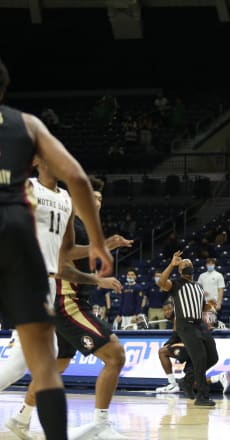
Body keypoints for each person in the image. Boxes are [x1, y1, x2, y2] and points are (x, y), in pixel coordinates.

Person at [0, 59, 113, 440]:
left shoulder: (63, 200)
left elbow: (66, 252)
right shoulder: (27, 140)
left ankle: (19, 423)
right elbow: (77, 173)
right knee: (38, 365)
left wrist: (96, 246)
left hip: (43, 278)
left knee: (38, 362)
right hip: (21, 263)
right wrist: (99, 242)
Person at [1, 158, 123, 439]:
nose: (98, 202)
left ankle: (22, 418)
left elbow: (65, 260)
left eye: (101, 198)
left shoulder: (73, 212)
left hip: (55, 290)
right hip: (45, 290)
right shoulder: (41, 198)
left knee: (50, 362)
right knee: (112, 354)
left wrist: (98, 269)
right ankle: (99, 424)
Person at [157, 251, 217, 407]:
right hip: (186, 326)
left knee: (213, 357)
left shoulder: (198, 286)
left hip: (200, 324)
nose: (187, 264)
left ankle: (186, 380)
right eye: (184, 263)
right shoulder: (175, 285)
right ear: (180, 269)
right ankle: (202, 397)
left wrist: (209, 310)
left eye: (189, 263)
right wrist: (171, 264)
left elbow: (203, 307)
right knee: (199, 359)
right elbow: (161, 282)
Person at [155, 300, 228, 395]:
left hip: (198, 348)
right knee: (187, 383)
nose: (167, 312)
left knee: (162, 351)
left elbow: (174, 338)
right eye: (165, 310)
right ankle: (218, 378)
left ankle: (172, 384)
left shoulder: (180, 317)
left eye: (169, 309)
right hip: (200, 350)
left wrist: (169, 345)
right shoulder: (183, 317)